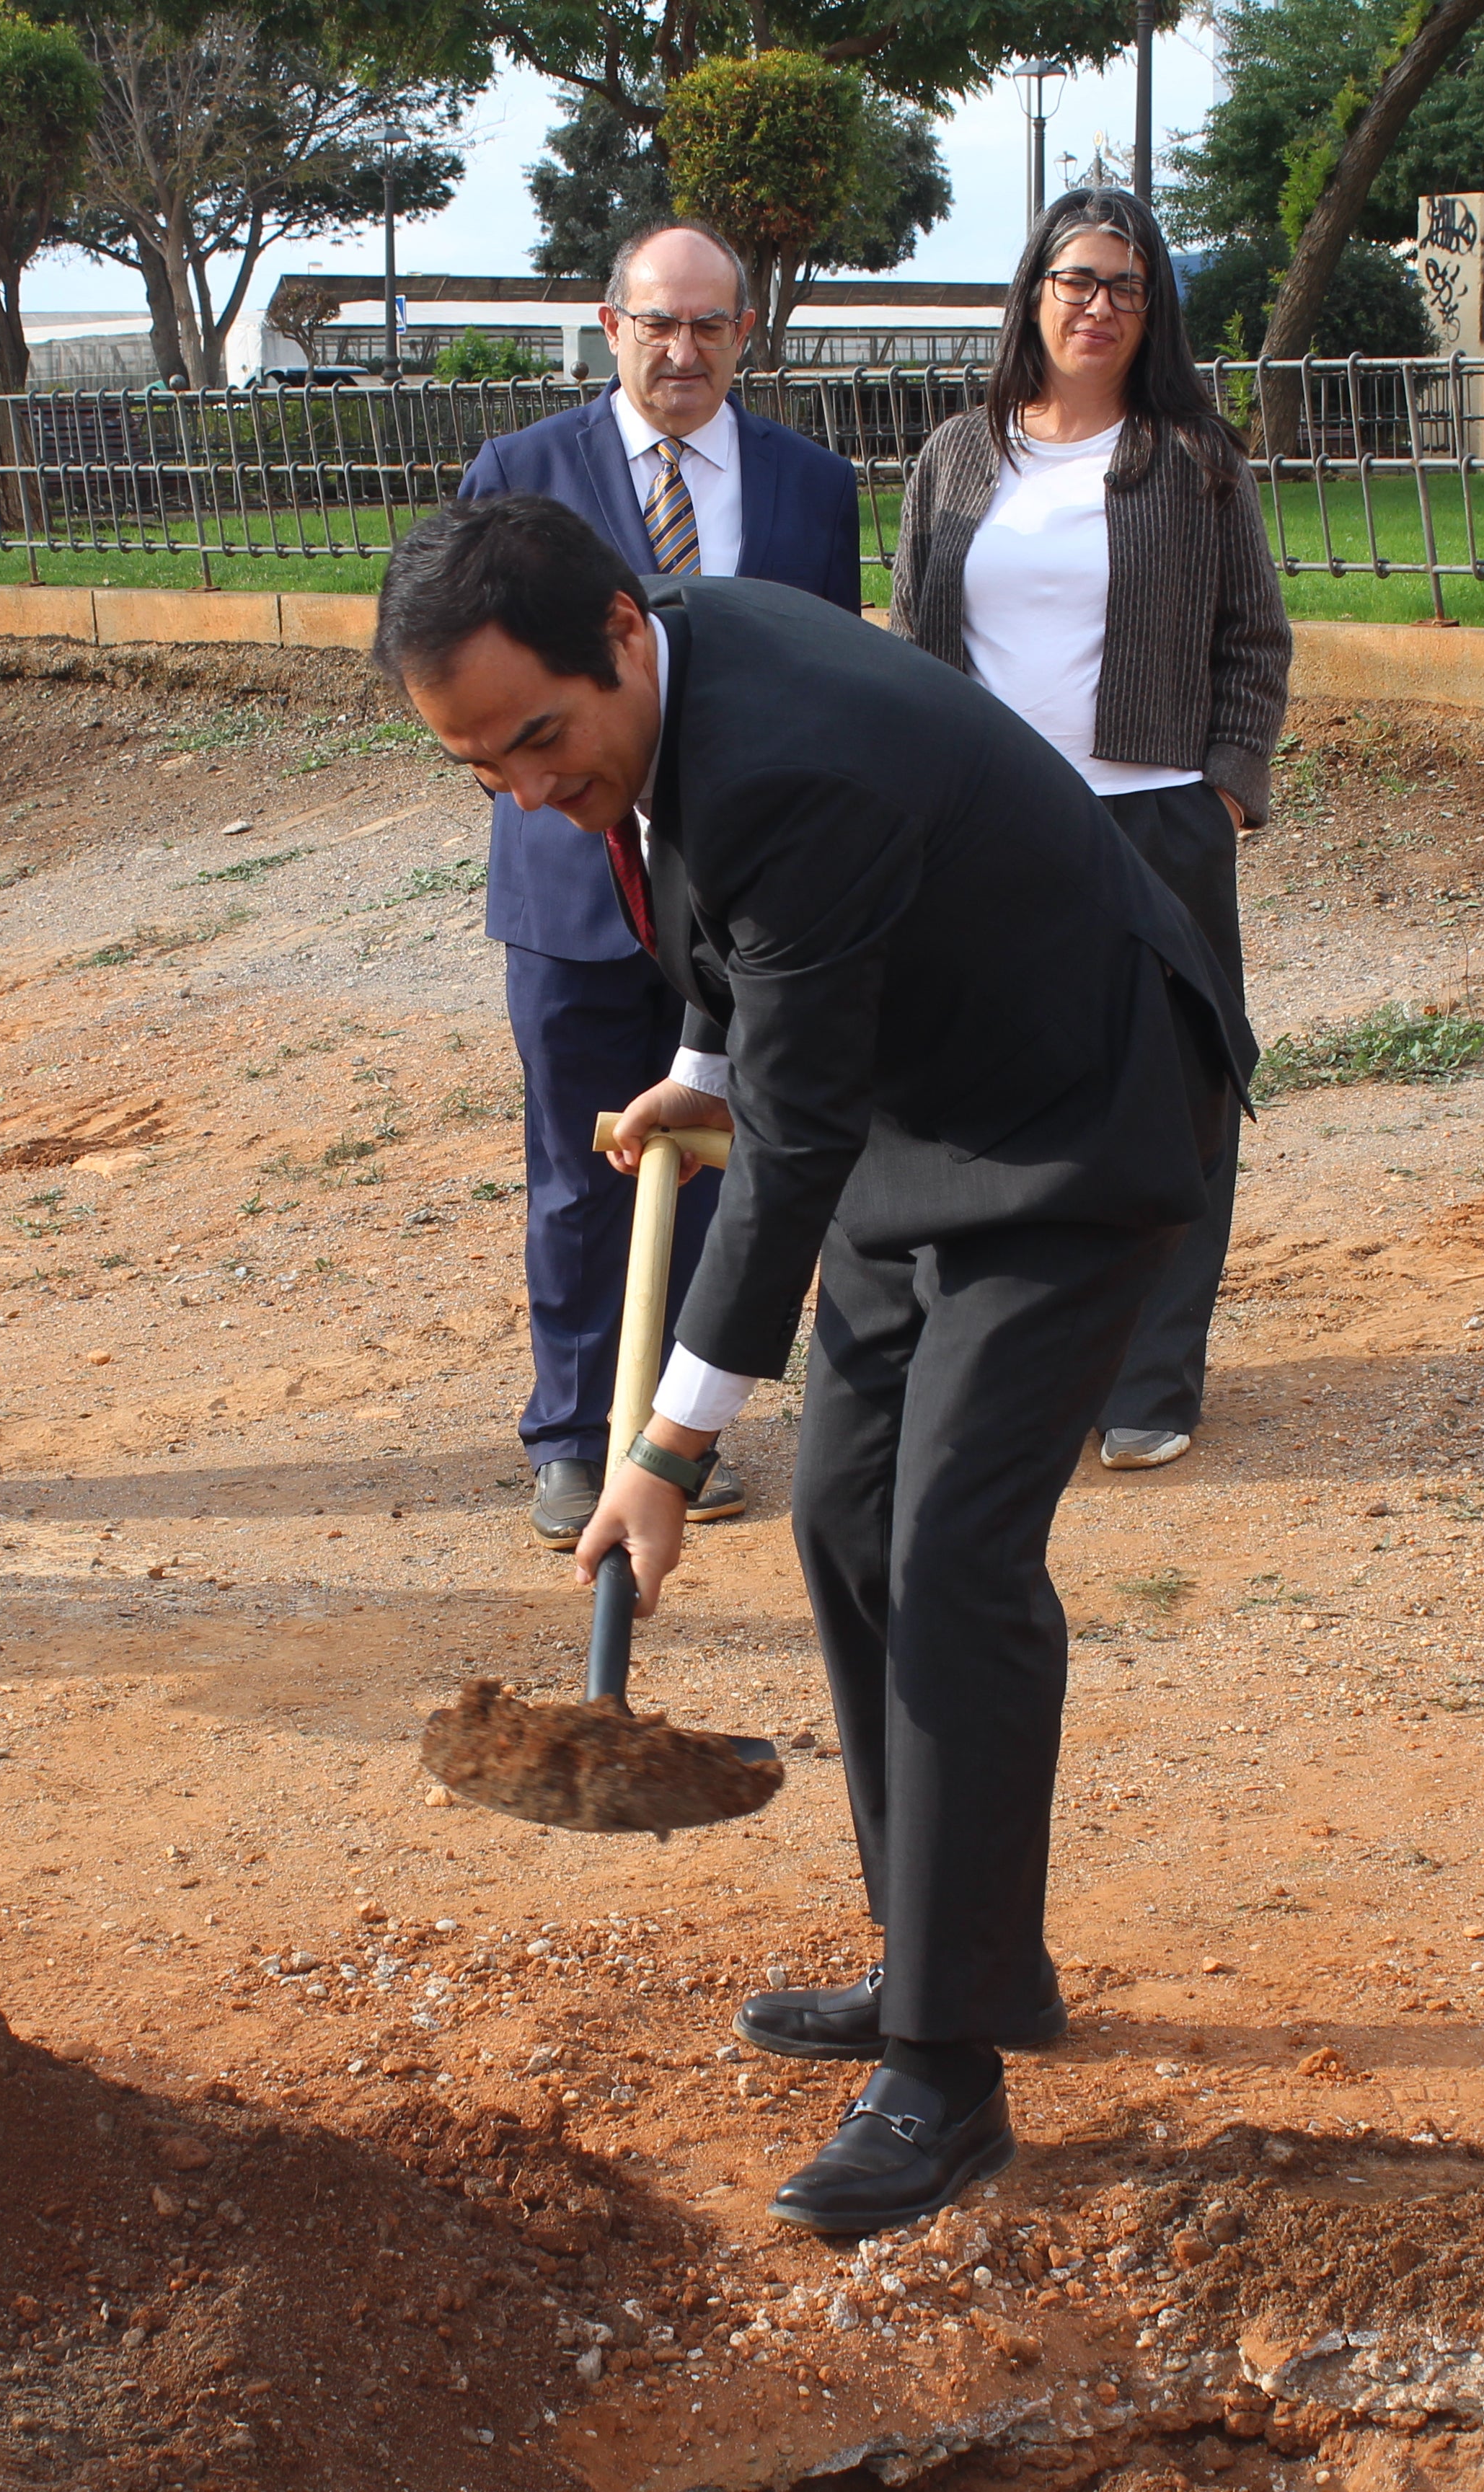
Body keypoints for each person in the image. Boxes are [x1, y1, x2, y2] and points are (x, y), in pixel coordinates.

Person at [374, 497, 1249, 2236]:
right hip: (918, 1113)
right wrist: (709, 1052)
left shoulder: (797, 757)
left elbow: (788, 1150)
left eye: (540, 740)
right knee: (851, 1516)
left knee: (951, 1559)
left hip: (1074, 1126)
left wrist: (672, 1451)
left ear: (623, 635)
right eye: (480, 770)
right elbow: (737, 932)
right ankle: (950, 1947)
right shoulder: (668, 670)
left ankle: (945, 2070)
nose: (529, 790)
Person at [453, 220, 865, 1552]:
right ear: (610, 323)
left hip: (742, 896)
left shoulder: (811, 485)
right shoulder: (521, 474)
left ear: (746, 333)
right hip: (574, 897)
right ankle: (575, 1437)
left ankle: (676, 1432)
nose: (680, 351)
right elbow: (462, 666)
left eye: (709, 326)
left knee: (718, 1157)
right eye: (655, 323)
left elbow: (831, 681)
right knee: (585, 1170)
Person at [888, 187, 1289, 1475]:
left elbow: (1254, 640)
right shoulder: (959, 455)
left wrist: (1220, 789)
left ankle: (1153, 1374)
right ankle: (1006, 1353)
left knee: (1175, 1096)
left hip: (1155, 822)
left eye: (1126, 284)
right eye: (1077, 280)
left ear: (1151, 308)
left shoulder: (1193, 459)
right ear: (1032, 295)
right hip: (989, 827)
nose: (1099, 305)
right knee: (991, 1085)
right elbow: (910, 636)